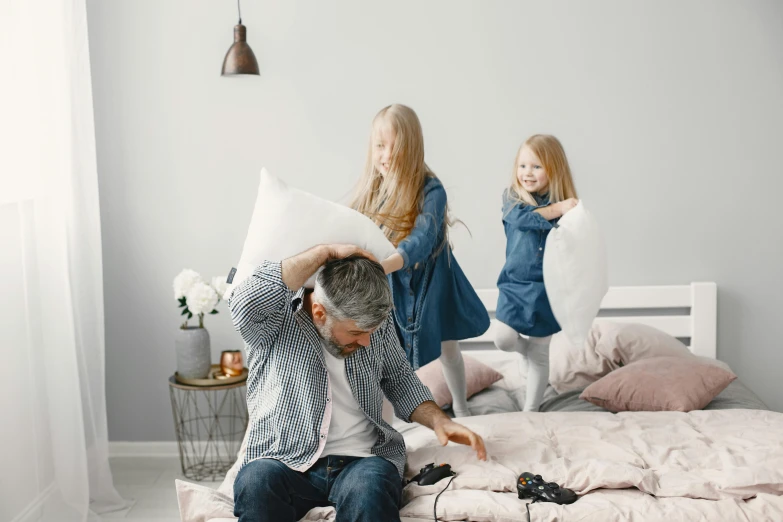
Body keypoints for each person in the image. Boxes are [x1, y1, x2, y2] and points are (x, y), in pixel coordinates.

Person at [229, 245, 487, 522]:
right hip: (283, 458)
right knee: (255, 482)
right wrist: (325, 252)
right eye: (356, 332)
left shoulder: (376, 321)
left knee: (371, 491)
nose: (365, 341)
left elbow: (399, 378)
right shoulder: (272, 320)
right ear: (319, 313)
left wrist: (440, 421)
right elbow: (245, 300)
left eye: (370, 332)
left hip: (362, 461)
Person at [352, 104, 490, 417]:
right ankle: (387, 423)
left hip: (432, 282)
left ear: (412, 148)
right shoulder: (372, 191)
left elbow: (423, 238)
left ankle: (461, 406)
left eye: (395, 147)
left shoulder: (432, 190)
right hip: (393, 286)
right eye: (379, 146)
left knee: (448, 347)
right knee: (385, 354)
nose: (386, 156)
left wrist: (384, 264)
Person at [494, 134, 579, 412]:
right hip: (515, 285)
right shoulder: (512, 197)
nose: (527, 173)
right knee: (504, 339)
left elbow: (576, 244)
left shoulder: (568, 206)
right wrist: (557, 210)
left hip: (549, 288)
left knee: (541, 353)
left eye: (536, 166)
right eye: (523, 166)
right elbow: (522, 218)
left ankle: (531, 412)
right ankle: (523, 351)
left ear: (553, 169)